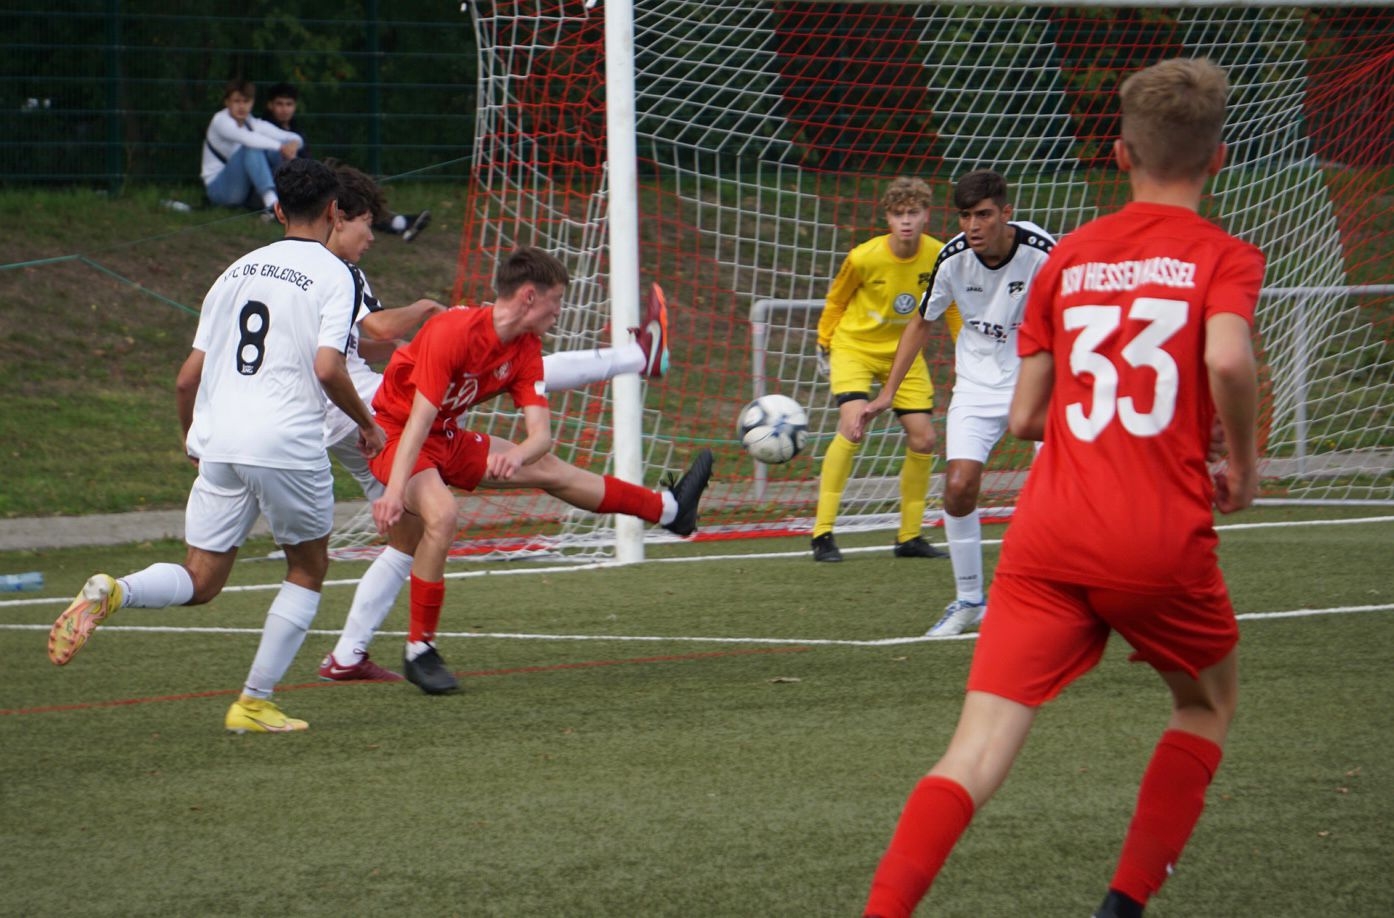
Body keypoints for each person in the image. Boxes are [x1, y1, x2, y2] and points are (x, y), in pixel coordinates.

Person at [861, 57, 1264, 918]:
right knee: (1206, 703)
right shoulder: (1223, 255)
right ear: (1218, 158)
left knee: (973, 751)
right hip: (1154, 534)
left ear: (1120, 155)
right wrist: (1243, 464)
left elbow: (1025, 418)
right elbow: (1228, 360)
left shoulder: (1071, 255)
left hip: (1048, 533)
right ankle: (1121, 906)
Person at [47, 158, 387, 734]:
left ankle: (116, 591)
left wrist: (192, 440)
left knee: (201, 579)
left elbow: (187, 378)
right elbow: (329, 367)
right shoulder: (336, 275)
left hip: (221, 439)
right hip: (284, 439)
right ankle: (253, 703)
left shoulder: (233, 272)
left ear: (277, 210)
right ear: (334, 211)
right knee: (308, 568)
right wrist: (368, 424)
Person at [316, 164, 672, 682]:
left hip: (334, 414)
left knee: (410, 534)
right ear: (335, 217)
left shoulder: (292, 270)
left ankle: (348, 654)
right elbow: (377, 326)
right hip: (357, 406)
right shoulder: (335, 271)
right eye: (366, 223)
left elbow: (358, 342)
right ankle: (637, 357)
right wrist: (426, 312)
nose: (371, 236)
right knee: (503, 371)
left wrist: (411, 344)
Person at [362, 247, 712, 694]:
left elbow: (541, 437)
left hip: (444, 434)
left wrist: (520, 455)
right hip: (396, 435)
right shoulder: (452, 331)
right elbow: (417, 421)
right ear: (529, 296)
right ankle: (420, 649)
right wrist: (393, 493)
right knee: (443, 514)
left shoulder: (525, 348)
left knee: (549, 469)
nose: (560, 311)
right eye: (556, 300)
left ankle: (669, 510)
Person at [858, 170, 1055, 636]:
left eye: (983, 215)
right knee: (959, 486)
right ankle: (969, 601)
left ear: (1006, 213)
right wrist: (887, 393)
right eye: (965, 216)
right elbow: (920, 323)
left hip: (1037, 379)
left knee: (1055, 492)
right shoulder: (952, 259)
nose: (973, 226)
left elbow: (1078, 311)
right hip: (976, 384)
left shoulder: (1042, 252)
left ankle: (1058, 593)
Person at [810, 177, 955, 563]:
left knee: (924, 438)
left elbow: (953, 305)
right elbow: (836, 300)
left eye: (913, 212)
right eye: (898, 213)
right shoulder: (863, 257)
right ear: (887, 218)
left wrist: (965, 348)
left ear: (926, 215)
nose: (906, 221)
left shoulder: (940, 256)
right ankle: (822, 533)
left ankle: (909, 536)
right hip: (854, 348)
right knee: (853, 426)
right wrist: (824, 341)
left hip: (904, 355)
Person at [263, 82, 432, 242]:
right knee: (344, 196)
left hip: (303, 185)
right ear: (270, 105)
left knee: (349, 192)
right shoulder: (264, 130)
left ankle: (396, 221)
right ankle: (398, 223)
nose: (284, 109)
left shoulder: (296, 131)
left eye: (289, 104)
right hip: (286, 189)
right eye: (279, 104)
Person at [202, 79, 302, 213]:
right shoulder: (220, 121)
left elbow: (287, 136)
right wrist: (282, 147)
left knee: (277, 150)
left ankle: (289, 197)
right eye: (237, 101)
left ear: (252, 103)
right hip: (219, 189)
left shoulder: (250, 122)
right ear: (227, 102)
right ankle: (272, 204)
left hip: (240, 187)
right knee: (252, 148)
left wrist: (294, 143)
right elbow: (248, 139)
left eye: (246, 101)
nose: (242, 106)